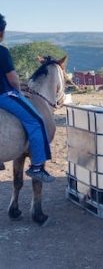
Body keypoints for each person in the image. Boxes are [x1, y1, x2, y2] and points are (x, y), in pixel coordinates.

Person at [0, 13, 55, 183]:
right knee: (37, 121)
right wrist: (18, 91)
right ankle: (37, 167)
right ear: (1, 32)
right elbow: (12, 78)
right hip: (3, 94)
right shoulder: (2, 51)